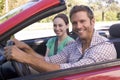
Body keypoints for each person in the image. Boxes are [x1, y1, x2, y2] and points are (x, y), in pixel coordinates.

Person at [4, 5, 117, 72]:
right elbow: (49, 60)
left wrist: (25, 58)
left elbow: (72, 70)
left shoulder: (104, 47)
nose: (78, 26)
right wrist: (26, 49)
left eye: (82, 21)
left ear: (92, 22)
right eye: (75, 23)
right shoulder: (75, 45)